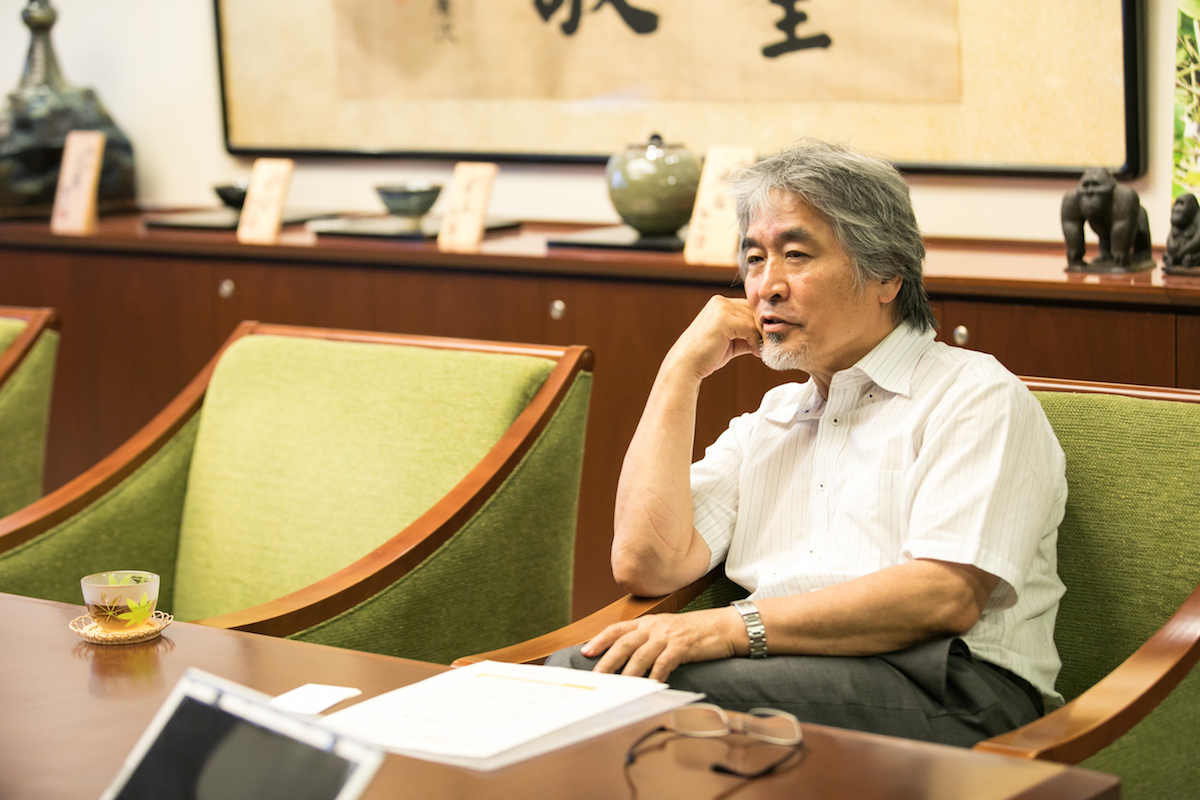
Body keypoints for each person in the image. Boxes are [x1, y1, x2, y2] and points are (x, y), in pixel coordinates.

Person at [546, 140, 1068, 747]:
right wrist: (679, 370)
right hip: (791, 670)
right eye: (754, 258)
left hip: (952, 687)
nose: (766, 286)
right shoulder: (771, 419)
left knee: (593, 687)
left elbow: (945, 596)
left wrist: (729, 628)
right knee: (581, 682)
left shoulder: (973, 395)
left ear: (886, 273)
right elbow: (646, 563)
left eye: (795, 255)